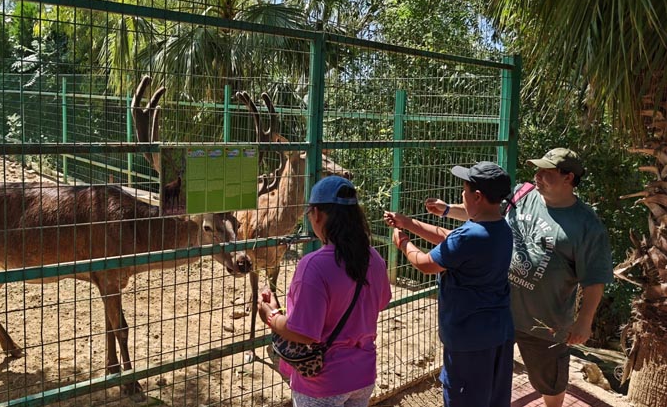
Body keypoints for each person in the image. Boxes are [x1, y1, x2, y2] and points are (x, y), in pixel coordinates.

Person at [425, 148, 613, 407]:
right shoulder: (523, 194)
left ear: (568, 178)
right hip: (499, 311)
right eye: (537, 169)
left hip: (544, 322)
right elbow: (484, 211)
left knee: (550, 380)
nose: (536, 176)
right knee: (492, 378)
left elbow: (594, 277)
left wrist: (585, 320)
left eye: (546, 172)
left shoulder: (587, 225)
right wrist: (447, 210)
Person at [383, 161, 515, 407]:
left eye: (463, 191)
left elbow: (424, 263)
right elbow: (448, 237)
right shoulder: (499, 227)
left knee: (463, 399)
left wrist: (403, 243)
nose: (461, 196)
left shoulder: (470, 236)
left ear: (477, 196)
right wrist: (409, 223)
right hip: (499, 331)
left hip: (469, 337)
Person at [257, 175, 391, 407]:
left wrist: (270, 315)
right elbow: (380, 302)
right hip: (363, 376)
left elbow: (304, 333)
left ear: (317, 214)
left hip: (323, 383)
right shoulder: (374, 258)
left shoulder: (313, 266)